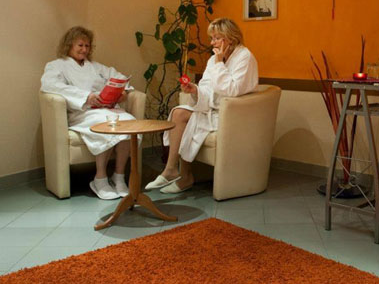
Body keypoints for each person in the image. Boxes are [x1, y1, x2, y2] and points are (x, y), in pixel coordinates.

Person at [145, 17, 258, 193]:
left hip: (233, 114)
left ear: (230, 38)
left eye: (216, 38)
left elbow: (232, 89)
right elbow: (207, 86)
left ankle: (183, 176)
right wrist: (195, 90)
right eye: (212, 38)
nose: (212, 42)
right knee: (178, 113)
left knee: (187, 119)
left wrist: (219, 63)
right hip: (212, 109)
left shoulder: (245, 57)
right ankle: (172, 170)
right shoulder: (213, 60)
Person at [41, 26, 135, 200]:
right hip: (82, 112)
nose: (84, 49)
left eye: (87, 46)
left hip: (105, 108)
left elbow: (120, 77)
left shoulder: (96, 67)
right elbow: (50, 85)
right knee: (106, 124)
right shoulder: (56, 66)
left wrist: (124, 92)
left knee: (129, 122)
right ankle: (100, 179)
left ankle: (119, 176)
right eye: (80, 45)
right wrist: (86, 97)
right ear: (69, 45)